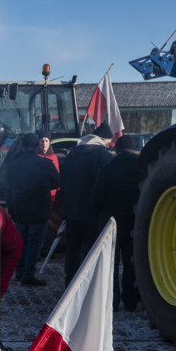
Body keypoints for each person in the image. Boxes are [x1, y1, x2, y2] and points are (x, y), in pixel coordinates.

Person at [90, 135, 143, 311]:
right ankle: (130, 300)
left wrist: (96, 215)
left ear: (116, 150)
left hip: (110, 223)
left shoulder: (108, 168)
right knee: (132, 263)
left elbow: (97, 197)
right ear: (134, 149)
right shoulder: (143, 168)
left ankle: (112, 302)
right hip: (134, 223)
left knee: (111, 264)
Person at [61, 122, 115, 288]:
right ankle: (84, 287)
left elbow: (63, 180)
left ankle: (69, 284)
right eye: (108, 142)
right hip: (91, 213)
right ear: (103, 140)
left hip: (71, 211)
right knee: (89, 252)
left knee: (72, 251)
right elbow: (105, 186)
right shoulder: (104, 157)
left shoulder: (73, 153)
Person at [6, 133, 59, 286]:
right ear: (37, 146)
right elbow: (56, 182)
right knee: (35, 243)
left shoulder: (14, 164)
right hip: (39, 210)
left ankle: (19, 271)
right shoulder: (44, 164)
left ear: (22, 146)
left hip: (19, 209)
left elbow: (8, 185)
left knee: (21, 241)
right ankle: (29, 275)